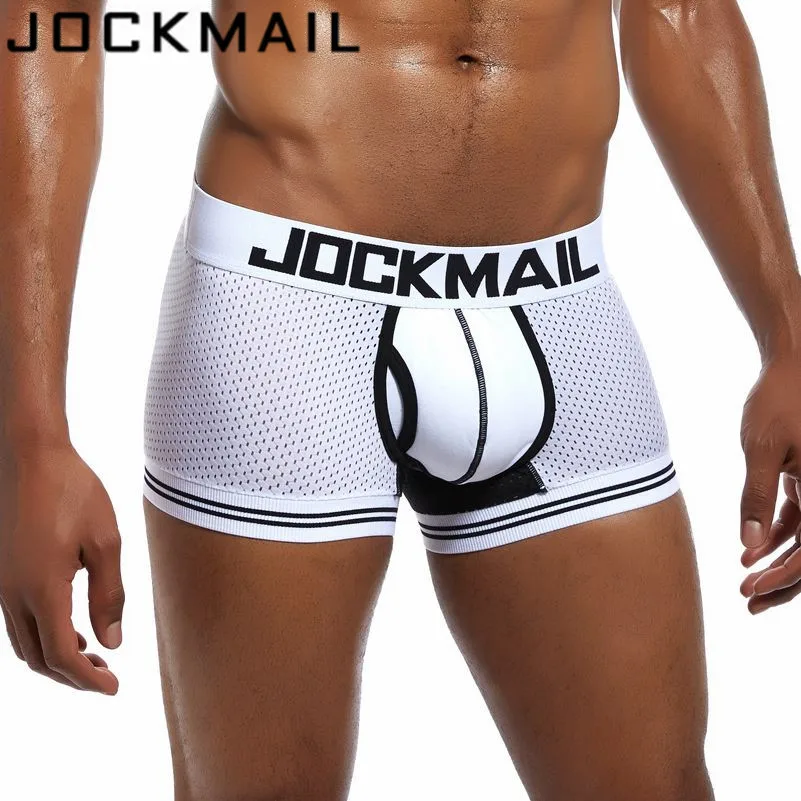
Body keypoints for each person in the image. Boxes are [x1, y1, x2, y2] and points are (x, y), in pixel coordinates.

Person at [1, 1, 798, 799]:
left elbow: (683, 10)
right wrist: (32, 438)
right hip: (285, 305)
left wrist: (787, 338)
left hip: (559, 298)